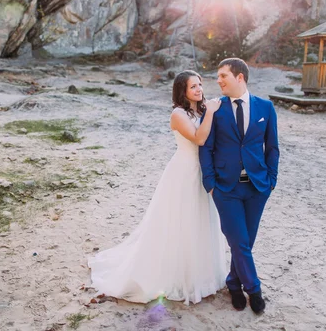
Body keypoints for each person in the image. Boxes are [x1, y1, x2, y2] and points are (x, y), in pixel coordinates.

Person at [88, 70, 227, 304]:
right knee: (180, 221)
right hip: (184, 172)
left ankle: (201, 275)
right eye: (193, 86)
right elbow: (200, 139)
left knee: (201, 220)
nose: (199, 89)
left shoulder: (202, 110)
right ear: (182, 90)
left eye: (200, 84)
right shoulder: (178, 114)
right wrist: (212, 112)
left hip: (205, 172)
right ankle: (176, 276)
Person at [199, 58, 280, 314]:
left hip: (258, 187)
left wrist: (271, 181)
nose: (219, 80)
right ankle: (253, 290)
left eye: (223, 76)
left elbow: (273, 148)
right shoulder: (214, 109)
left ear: (240, 77)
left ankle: (234, 282)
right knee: (239, 241)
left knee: (244, 243)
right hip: (226, 188)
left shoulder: (266, 108)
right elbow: (206, 148)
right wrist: (210, 183)